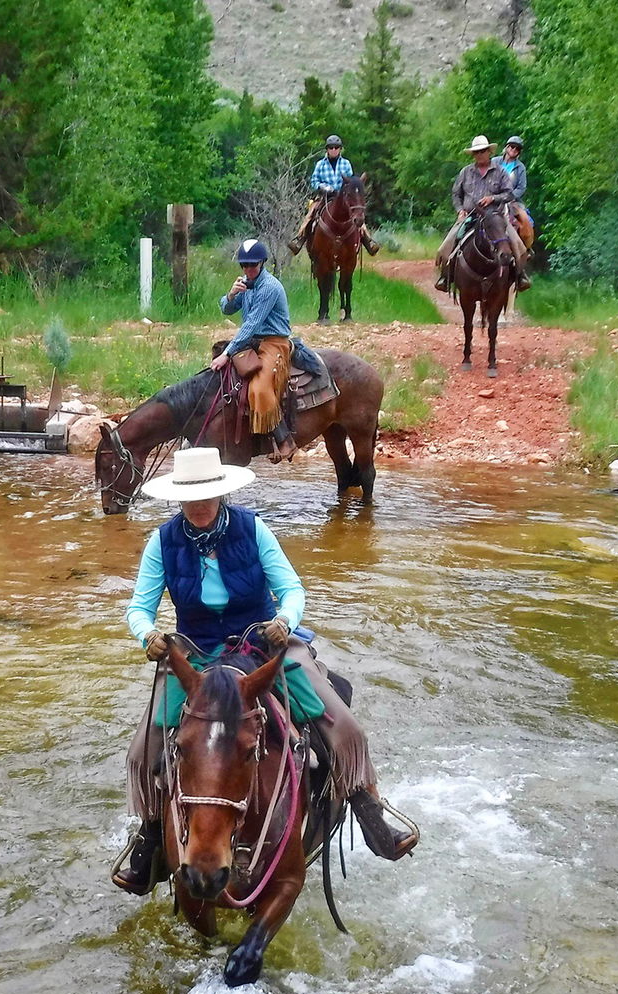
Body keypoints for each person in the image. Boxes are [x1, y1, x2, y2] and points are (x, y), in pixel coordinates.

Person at [111, 446, 420, 896]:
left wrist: (284, 622)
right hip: (196, 654)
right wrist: (147, 635)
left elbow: (291, 589)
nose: (198, 506)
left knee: (343, 726)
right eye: (189, 498)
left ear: (221, 494)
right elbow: (139, 608)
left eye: (206, 495)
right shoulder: (162, 542)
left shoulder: (253, 529)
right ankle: (152, 837)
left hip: (261, 642)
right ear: (177, 499)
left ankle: (368, 809)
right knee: (144, 753)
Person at [211, 238, 297, 461]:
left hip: (273, 342)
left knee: (259, 387)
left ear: (262, 263)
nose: (248, 269)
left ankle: (283, 440)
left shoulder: (269, 287)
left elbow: (251, 324)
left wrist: (227, 354)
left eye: (253, 265)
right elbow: (227, 310)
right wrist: (231, 295)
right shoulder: (246, 284)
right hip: (252, 342)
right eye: (244, 265)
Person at [433, 134, 530, 294]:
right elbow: (456, 193)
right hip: (470, 215)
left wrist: (493, 198)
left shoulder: (499, 171)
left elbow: (509, 193)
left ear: (489, 152)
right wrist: (460, 210)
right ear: (473, 154)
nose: (480, 154)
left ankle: (520, 276)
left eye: (483, 151)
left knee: (517, 243)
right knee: (447, 244)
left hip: (496, 217)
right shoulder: (465, 172)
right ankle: (446, 276)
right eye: (477, 152)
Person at [287, 135, 381, 257]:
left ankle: (368, 240)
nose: (334, 150)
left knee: (357, 214)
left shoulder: (346, 164)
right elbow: (314, 181)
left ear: (340, 149)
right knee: (311, 213)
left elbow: (351, 181)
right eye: (331, 147)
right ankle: (300, 239)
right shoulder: (320, 164)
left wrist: (347, 189)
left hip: (343, 197)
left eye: (336, 147)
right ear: (327, 149)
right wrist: (323, 187)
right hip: (325, 196)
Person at [496, 135, 536, 255]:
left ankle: (526, 248)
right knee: (471, 216)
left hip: (512, 200)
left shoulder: (520, 168)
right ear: (507, 147)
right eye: (512, 146)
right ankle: (458, 246)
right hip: (492, 198)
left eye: (517, 148)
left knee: (526, 220)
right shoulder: (494, 162)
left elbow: (521, 187)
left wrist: (509, 197)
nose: (514, 150)